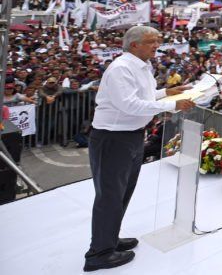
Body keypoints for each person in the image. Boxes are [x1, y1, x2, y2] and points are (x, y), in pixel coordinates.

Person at [84, 26, 195, 272]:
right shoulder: (121, 68)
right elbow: (129, 104)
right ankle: (98, 253)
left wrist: (166, 92)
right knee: (110, 195)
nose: (156, 45)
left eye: (157, 41)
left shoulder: (141, 66)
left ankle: (109, 240)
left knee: (123, 192)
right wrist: (170, 104)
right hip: (113, 138)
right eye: (150, 41)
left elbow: (142, 96)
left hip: (131, 136)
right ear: (134, 45)